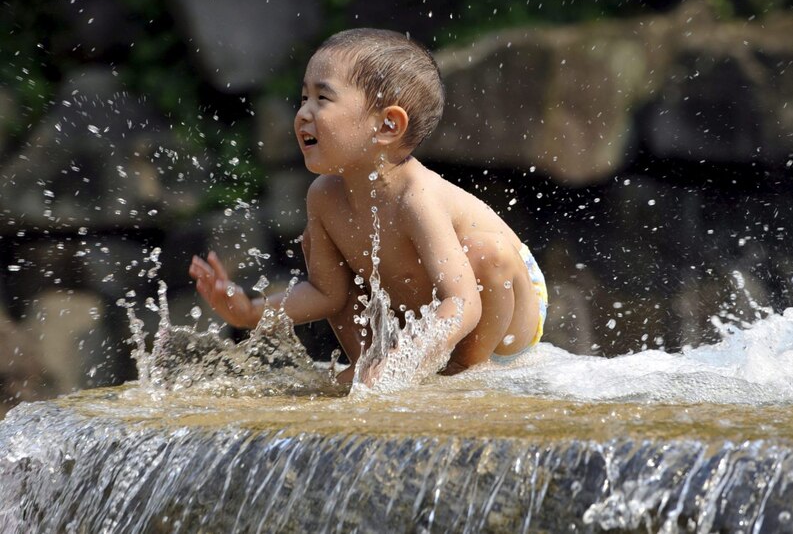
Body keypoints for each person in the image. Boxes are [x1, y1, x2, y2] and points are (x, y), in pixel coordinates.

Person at [189, 28, 547, 384]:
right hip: (423, 311)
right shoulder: (323, 196)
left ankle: (459, 372)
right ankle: (370, 367)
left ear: (388, 125)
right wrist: (251, 312)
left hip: (504, 312)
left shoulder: (417, 197)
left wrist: (405, 362)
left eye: (322, 99)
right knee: (315, 243)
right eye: (303, 98)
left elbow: (464, 303)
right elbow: (326, 294)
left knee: (488, 253)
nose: (302, 114)